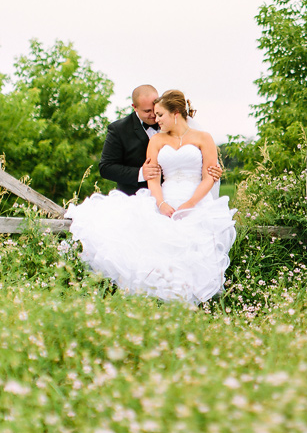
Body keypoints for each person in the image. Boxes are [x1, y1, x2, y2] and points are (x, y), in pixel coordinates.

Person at [67, 90, 236, 304]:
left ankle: (188, 299)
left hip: (195, 199)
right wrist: (161, 202)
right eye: (150, 113)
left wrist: (191, 203)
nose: (155, 119)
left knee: (192, 248)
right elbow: (151, 177)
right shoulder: (152, 137)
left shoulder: (202, 137)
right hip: (163, 196)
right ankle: (154, 297)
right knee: (151, 244)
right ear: (135, 108)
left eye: (159, 114)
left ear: (175, 113)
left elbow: (208, 175)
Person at [99, 84, 222, 195]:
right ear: (135, 107)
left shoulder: (173, 121)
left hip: (179, 194)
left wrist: (211, 171)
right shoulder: (119, 129)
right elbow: (106, 168)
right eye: (147, 111)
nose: (154, 116)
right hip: (135, 198)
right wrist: (141, 173)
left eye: (156, 110)